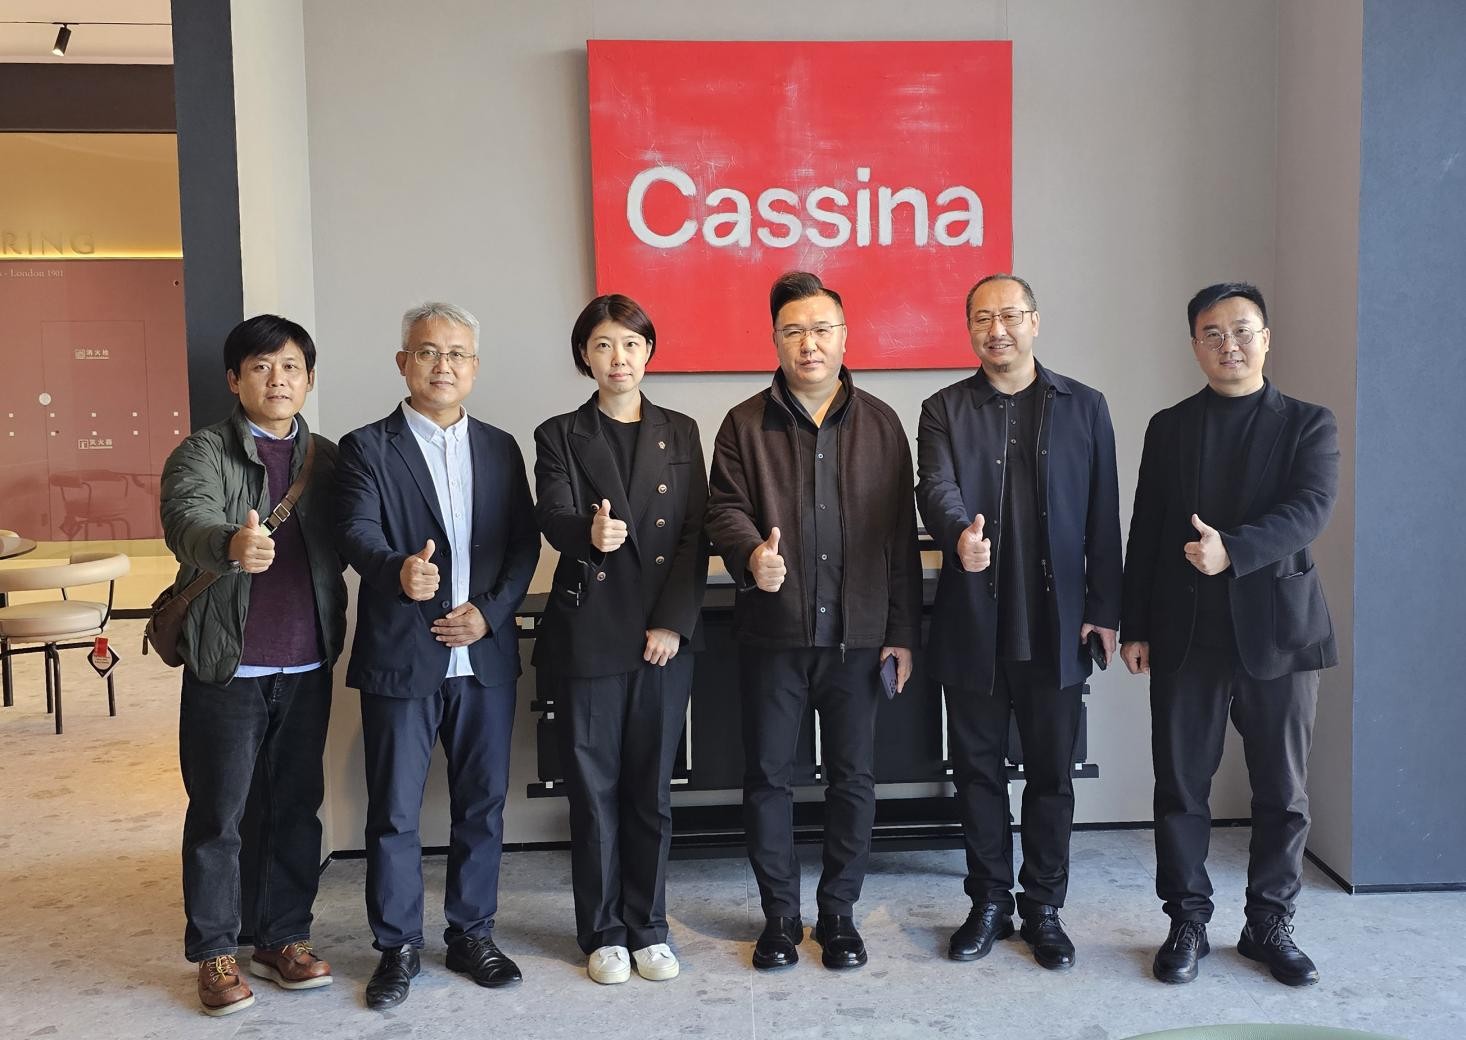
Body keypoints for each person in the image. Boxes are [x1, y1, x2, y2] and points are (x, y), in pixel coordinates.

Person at [1121, 282, 1338, 987]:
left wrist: (1233, 551)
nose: (1229, 344)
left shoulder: (1309, 424)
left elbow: (1311, 509)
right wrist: (1135, 624)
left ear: (1266, 338)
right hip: (1187, 635)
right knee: (1182, 787)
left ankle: (1269, 923)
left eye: (1242, 330)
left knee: (1283, 791)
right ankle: (1187, 921)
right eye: (1212, 333)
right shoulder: (1170, 427)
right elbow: (1148, 528)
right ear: (1195, 345)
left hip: (1281, 634)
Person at [705, 271, 922, 972]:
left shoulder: (882, 424)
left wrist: (902, 632)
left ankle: (838, 915)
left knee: (853, 779)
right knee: (768, 778)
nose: (809, 344)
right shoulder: (743, 424)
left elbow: (900, 539)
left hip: (859, 638)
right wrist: (750, 555)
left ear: (844, 336)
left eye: (822, 329)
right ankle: (778, 918)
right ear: (775, 339)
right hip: (774, 634)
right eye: (794, 331)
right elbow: (723, 509)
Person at [336, 301, 539, 1009]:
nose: (442, 365)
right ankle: (396, 947)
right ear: (404, 363)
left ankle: (471, 934)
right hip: (404, 655)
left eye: (456, 354)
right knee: (394, 811)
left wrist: (490, 612)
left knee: (482, 805)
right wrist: (397, 570)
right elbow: (355, 530)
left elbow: (523, 544)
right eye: (428, 352)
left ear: (474, 367)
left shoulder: (500, 447)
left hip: (484, 657)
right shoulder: (367, 447)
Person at [916, 273, 1122, 971]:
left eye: (1009, 315)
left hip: (1058, 624)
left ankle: (1044, 908)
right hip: (975, 621)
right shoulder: (943, 408)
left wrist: (1105, 609)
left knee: (1051, 775)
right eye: (982, 318)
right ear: (969, 329)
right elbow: (935, 486)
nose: (996, 329)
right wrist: (957, 535)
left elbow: (1103, 515)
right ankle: (989, 902)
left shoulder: (1084, 406)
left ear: (1035, 321)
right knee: (976, 773)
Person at [160, 314, 346, 1016]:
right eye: (262, 367)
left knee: (294, 809)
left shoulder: (327, 461)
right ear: (235, 379)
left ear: (309, 379)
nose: (277, 379)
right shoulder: (203, 452)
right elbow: (186, 521)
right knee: (220, 814)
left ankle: (282, 937)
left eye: (291, 366)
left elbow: (360, 533)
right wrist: (228, 545)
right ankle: (215, 950)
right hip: (228, 664)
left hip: (306, 662)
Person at [532, 294, 709, 985]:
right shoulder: (559, 434)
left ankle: (649, 927)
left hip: (661, 639)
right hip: (591, 636)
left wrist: (673, 622)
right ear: (585, 355)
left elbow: (694, 534)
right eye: (603, 345)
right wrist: (589, 533)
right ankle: (603, 932)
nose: (618, 358)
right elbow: (551, 515)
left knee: (650, 792)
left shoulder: (681, 432)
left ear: (648, 352)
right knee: (594, 792)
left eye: (631, 344)